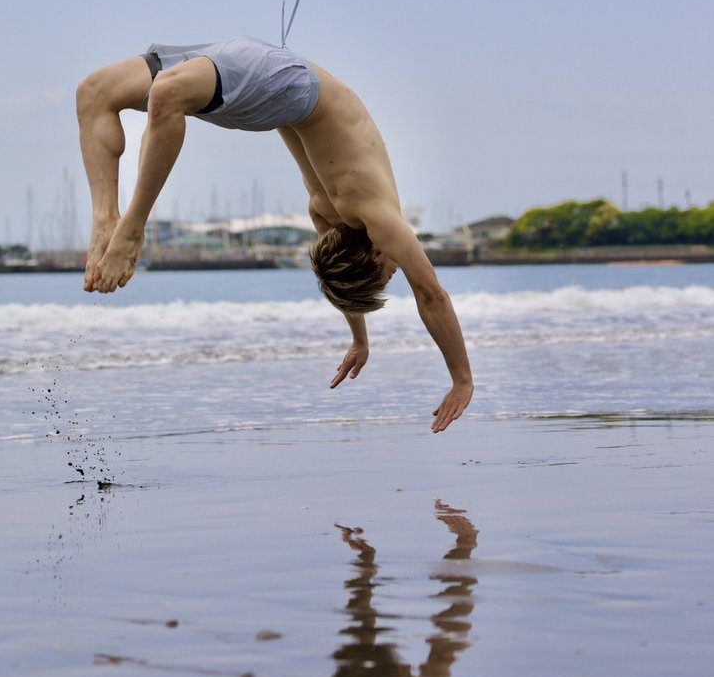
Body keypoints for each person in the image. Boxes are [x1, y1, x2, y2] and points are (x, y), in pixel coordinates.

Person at [76, 36, 473, 431]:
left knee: (124, 93)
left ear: (370, 255)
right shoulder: (376, 215)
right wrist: (462, 379)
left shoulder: (329, 213)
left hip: (273, 87)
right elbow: (432, 295)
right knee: (124, 93)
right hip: (288, 83)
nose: (397, 266)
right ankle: (115, 224)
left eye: (390, 274)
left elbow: (350, 284)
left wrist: (360, 339)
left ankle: (120, 222)